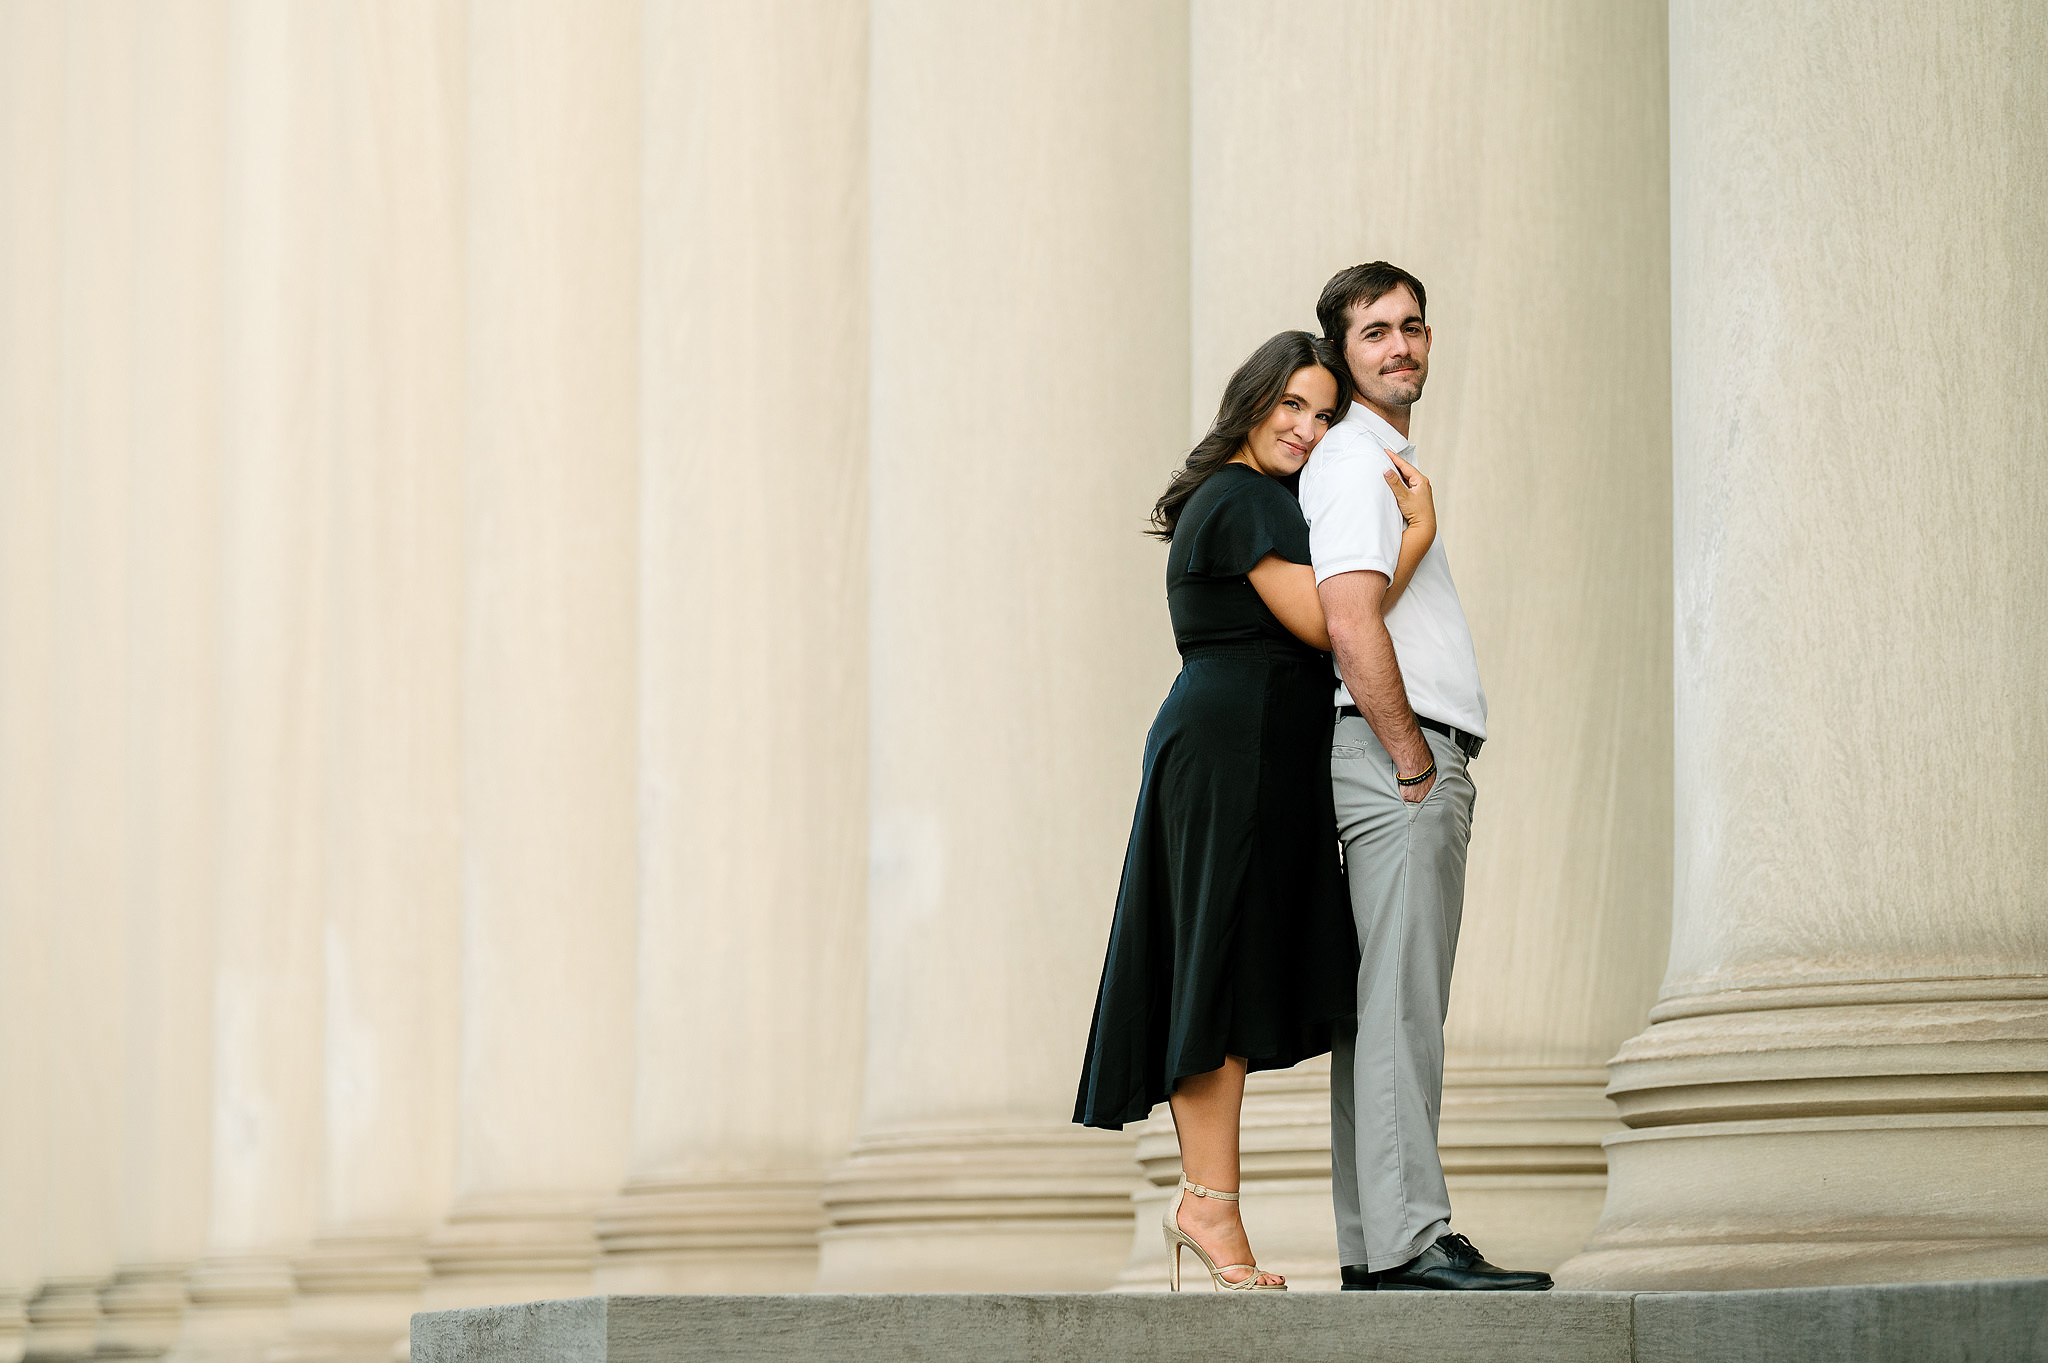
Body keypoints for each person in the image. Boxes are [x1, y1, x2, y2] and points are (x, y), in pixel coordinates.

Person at [1073, 330, 1437, 1292]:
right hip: (1230, 752)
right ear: (1252, 400)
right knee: (1216, 977)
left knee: (1221, 975)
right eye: (1292, 406)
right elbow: (1330, 622)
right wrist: (1412, 542)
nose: (1307, 429)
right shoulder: (1240, 499)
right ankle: (1209, 1206)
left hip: (1252, 753)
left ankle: (1207, 1201)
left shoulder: (1249, 499)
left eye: (1323, 415)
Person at [1301, 261, 1553, 1291]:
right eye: (1373, 332)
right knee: (1400, 1003)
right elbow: (1349, 618)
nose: (1399, 345)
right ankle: (1408, 1240)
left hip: (1390, 750)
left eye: (1411, 326)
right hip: (1396, 752)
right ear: (1341, 351)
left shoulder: (1380, 462)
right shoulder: (1356, 460)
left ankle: (1376, 1244)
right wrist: (1410, 755)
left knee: (1381, 1007)